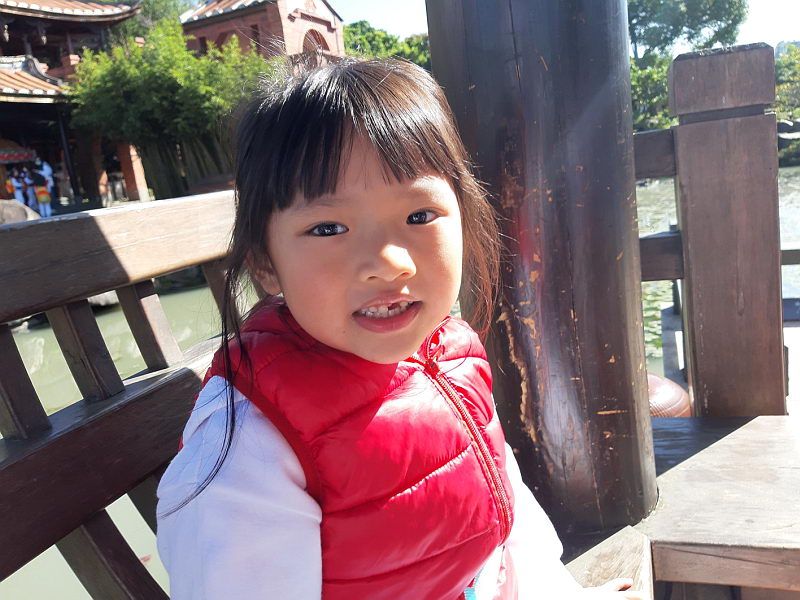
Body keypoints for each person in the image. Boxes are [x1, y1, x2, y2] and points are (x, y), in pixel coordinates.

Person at [156, 57, 643, 600]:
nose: (389, 264)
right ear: (265, 264)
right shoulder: (249, 441)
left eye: (419, 216)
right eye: (328, 228)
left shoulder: (450, 351)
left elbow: (505, 516)